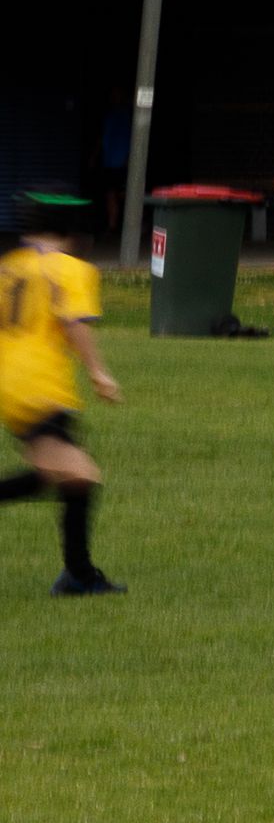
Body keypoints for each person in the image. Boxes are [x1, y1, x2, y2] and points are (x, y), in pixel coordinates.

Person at [0, 201, 120, 595]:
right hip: (40, 386)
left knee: (72, 478)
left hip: (10, 386)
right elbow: (74, 323)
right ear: (70, 233)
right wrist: (98, 372)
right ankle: (78, 576)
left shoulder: (10, 266)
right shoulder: (70, 269)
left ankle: (79, 575)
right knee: (78, 474)